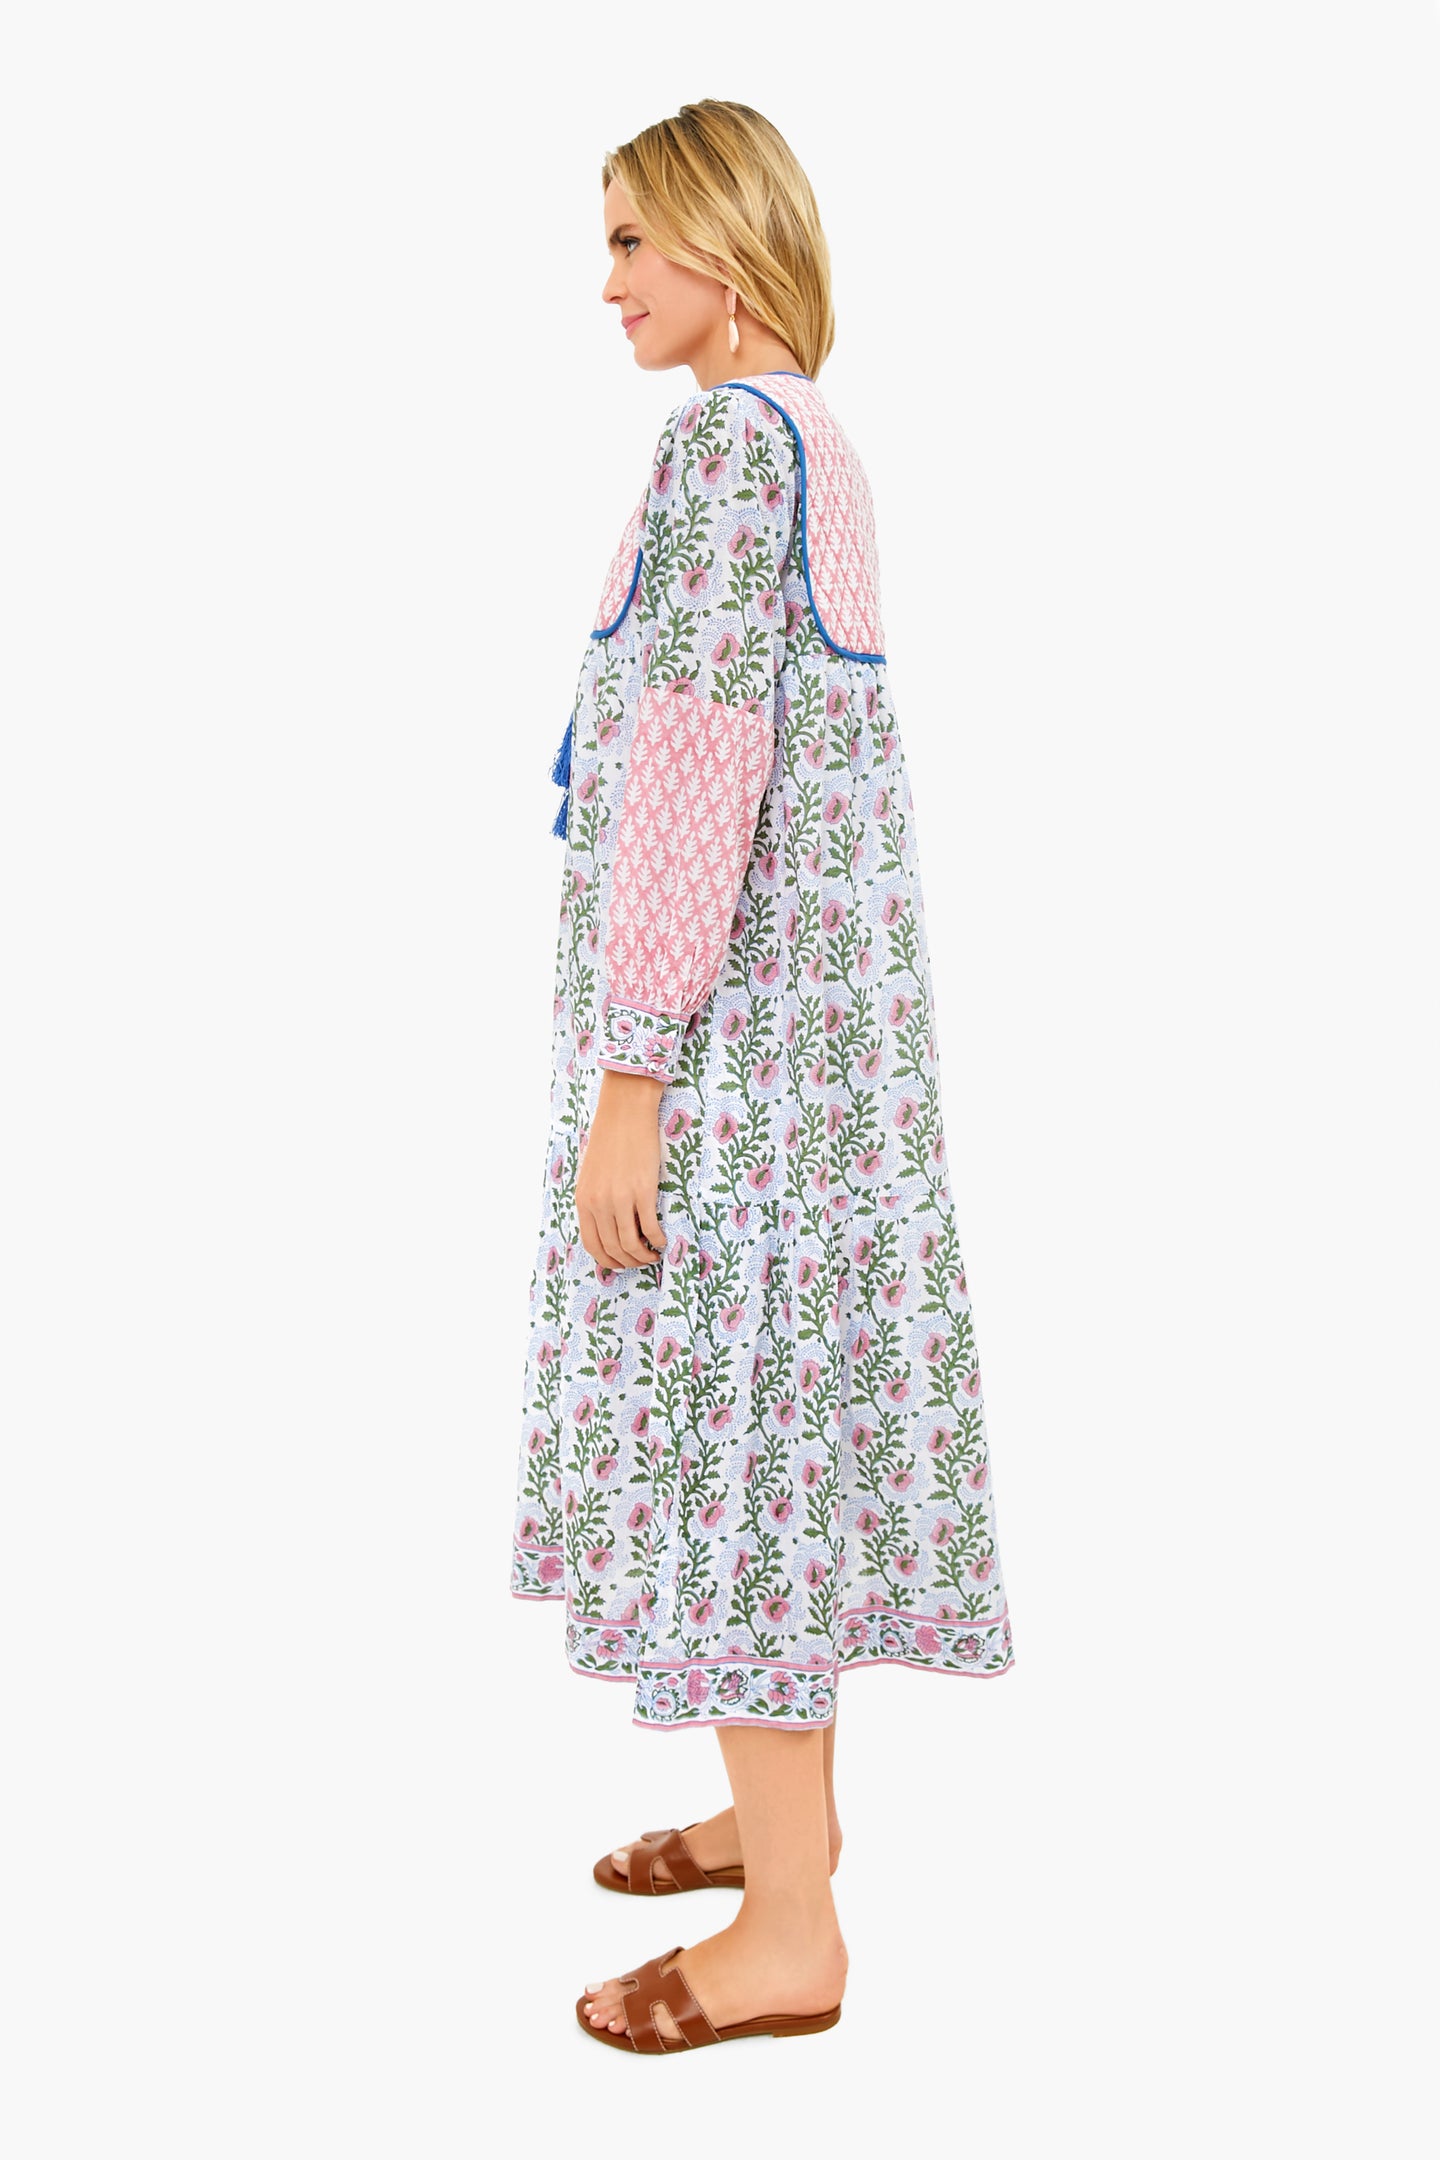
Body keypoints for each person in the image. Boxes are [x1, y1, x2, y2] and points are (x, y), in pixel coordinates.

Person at [509, 99, 1016, 2055]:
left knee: (734, 1456)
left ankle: (791, 1927)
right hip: (821, 1067)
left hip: (738, 1069)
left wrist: (634, 1074)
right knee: (777, 1448)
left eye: (634, 240)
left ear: (725, 242)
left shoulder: (727, 445)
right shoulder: (816, 440)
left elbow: (702, 770)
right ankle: (774, 1823)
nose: (609, 283)